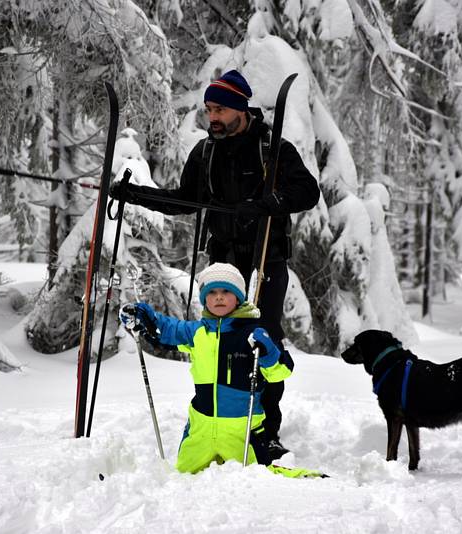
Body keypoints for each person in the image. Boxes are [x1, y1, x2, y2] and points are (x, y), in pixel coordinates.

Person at [111, 69, 320, 459]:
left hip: (265, 262)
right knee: (219, 344)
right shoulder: (205, 152)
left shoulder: (271, 149)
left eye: (220, 109)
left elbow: (308, 190)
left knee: (262, 345)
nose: (213, 117)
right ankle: (216, 422)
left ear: (241, 109)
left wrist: (269, 204)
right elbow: (184, 201)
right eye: (209, 110)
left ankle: (263, 430)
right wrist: (134, 195)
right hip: (223, 265)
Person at [119, 262, 291, 473]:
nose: (219, 297)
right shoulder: (197, 332)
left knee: (255, 479)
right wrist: (145, 318)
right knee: (181, 480)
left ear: (238, 297)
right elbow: (168, 330)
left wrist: (268, 353)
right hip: (201, 430)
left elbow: (280, 373)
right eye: (212, 292)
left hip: (242, 434)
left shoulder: (252, 334)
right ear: (204, 299)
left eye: (226, 291)